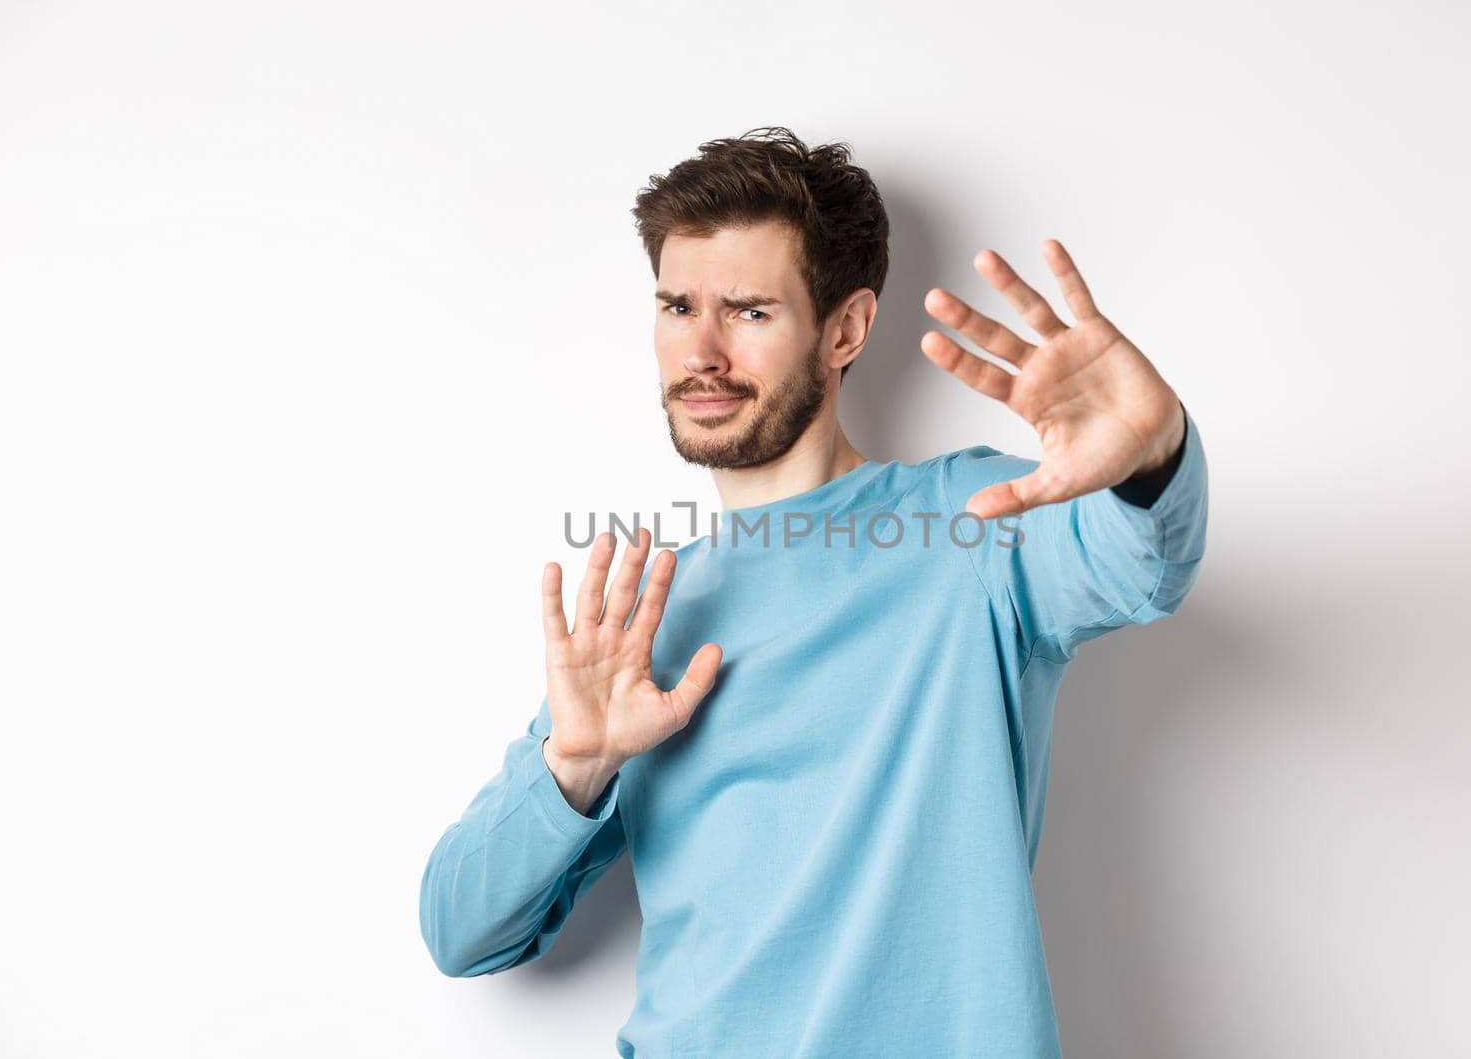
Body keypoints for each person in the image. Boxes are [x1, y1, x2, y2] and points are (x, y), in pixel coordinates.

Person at [418, 125, 1208, 1058]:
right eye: (678, 306)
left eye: (749, 311)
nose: (701, 351)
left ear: (845, 329)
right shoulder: (645, 618)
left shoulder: (969, 523)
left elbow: (1142, 563)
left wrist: (1151, 457)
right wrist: (575, 765)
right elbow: (460, 928)